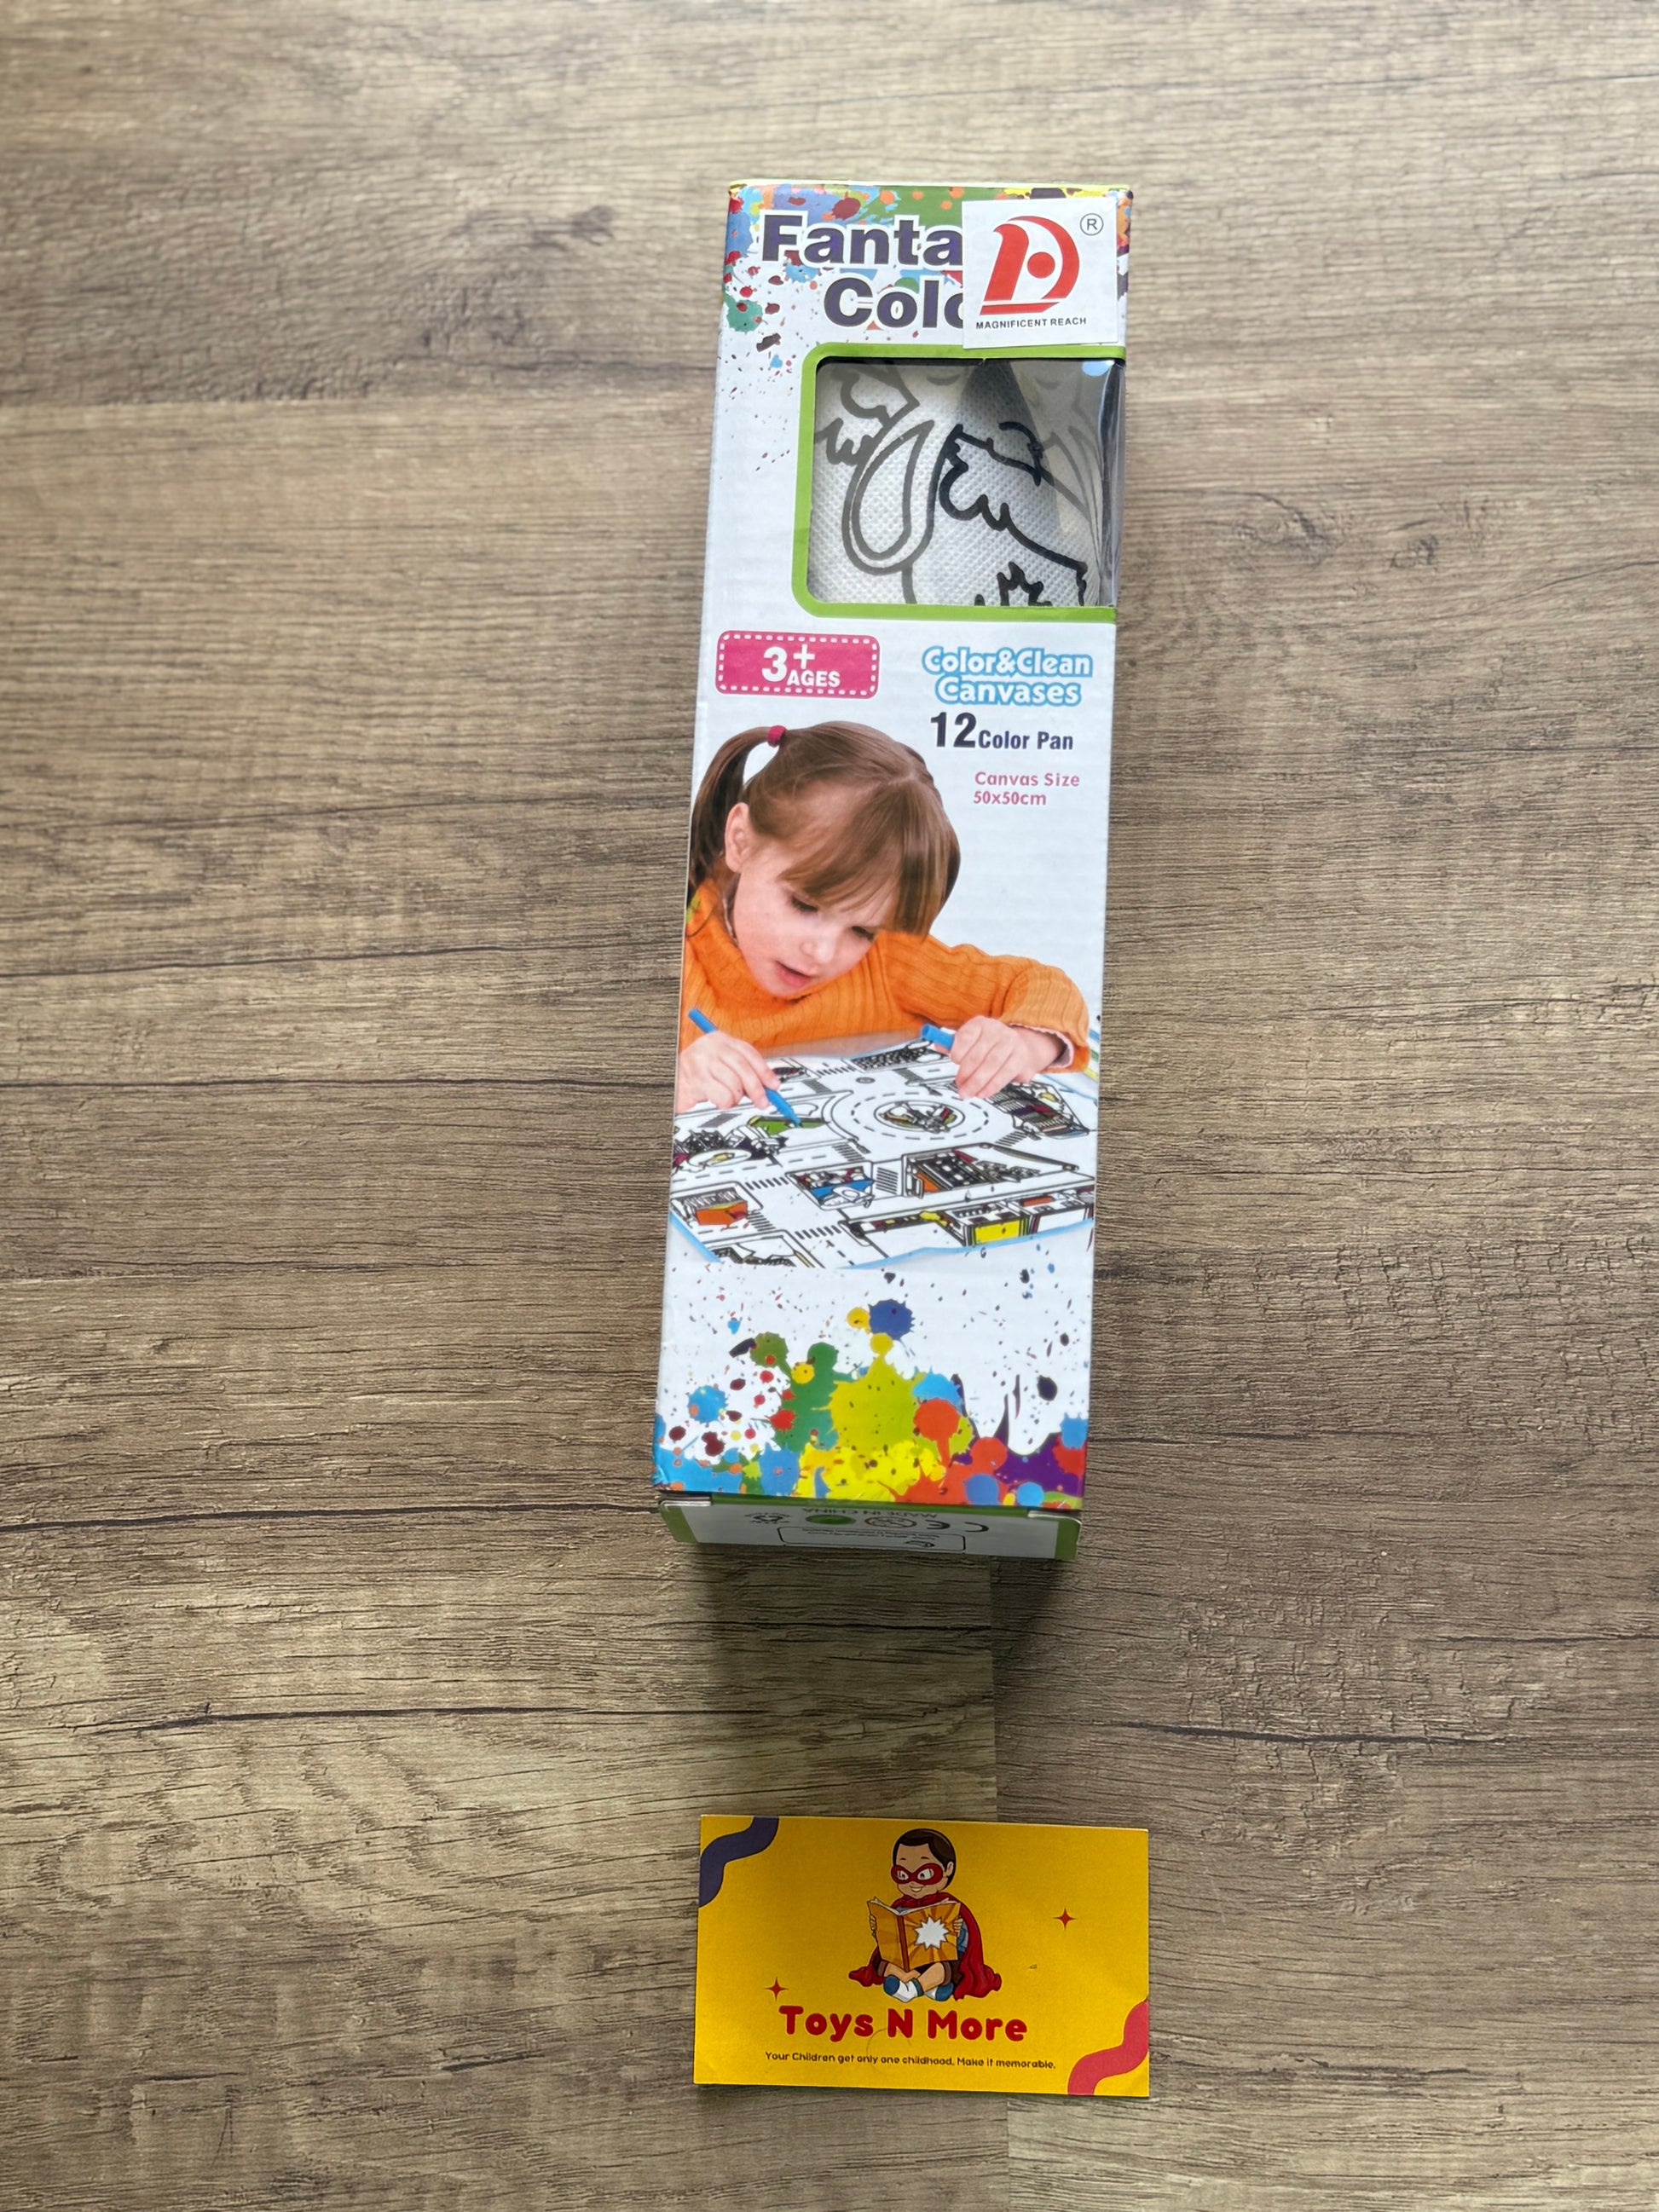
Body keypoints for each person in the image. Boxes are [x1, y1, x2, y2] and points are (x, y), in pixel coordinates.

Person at [675, 720, 1089, 1112]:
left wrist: (1025, 1044)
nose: (822, 952)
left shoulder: (889, 961)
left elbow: (1042, 985)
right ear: (741, 842)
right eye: (804, 905)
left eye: (862, 930)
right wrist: (677, 1081)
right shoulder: (678, 959)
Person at [849, 1826, 1001, 2002]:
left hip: (938, 1960)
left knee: (940, 1969)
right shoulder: (900, 1907)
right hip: (907, 1962)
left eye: (925, 1874)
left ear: (948, 1869)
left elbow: (965, 1945)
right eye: (903, 1874)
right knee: (886, 1966)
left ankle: (911, 1990)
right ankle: (929, 1987)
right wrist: (880, 1930)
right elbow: (891, 1943)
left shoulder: (949, 1906)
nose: (914, 1883)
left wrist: (957, 1930)